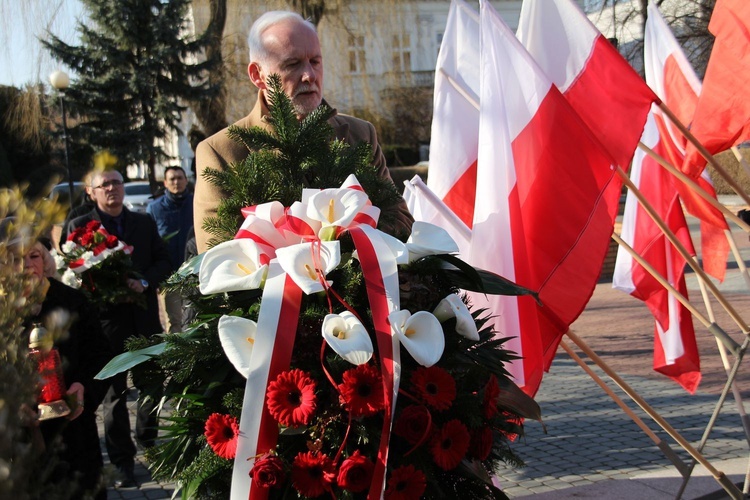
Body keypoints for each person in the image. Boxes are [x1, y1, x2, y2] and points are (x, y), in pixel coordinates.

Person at [193, 10, 414, 253]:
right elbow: (218, 256)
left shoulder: (361, 135)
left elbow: (401, 220)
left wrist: (348, 246)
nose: (309, 75)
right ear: (258, 75)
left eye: (315, 61)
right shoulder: (220, 152)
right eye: (293, 64)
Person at [67, 168, 171, 488]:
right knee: (113, 395)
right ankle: (122, 461)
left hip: (143, 317)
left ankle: (147, 439)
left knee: (151, 385)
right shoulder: (81, 227)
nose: (112, 188)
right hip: (105, 323)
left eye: (116, 183)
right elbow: (72, 274)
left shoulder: (143, 221)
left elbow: (163, 261)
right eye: (105, 184)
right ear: (91, 192)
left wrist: (143, 280)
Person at [23, 239, 113, 499]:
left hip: (73, 435)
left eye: (34, 256)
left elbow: (101, 355)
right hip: (18, 443)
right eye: (17, 259)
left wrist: (84, 387)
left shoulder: (72, 301)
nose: (28, 265)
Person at [147, 166, 193, 333]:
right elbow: (150, 242)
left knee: (196, 318)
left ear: (186, 180)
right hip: (170, 275)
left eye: (180, 178)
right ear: (165, 183)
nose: (177, 182)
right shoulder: (154, 208)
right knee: (175, 322)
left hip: (195, 273)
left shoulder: (196, 203)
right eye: (172, 179)